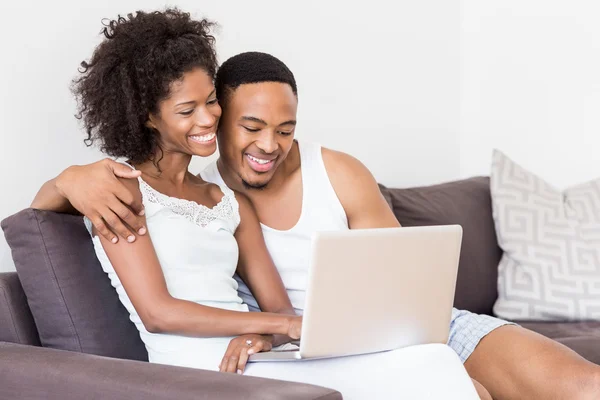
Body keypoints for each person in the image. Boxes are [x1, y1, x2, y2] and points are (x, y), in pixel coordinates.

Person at [31, 9, 481, 399]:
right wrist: (67, 179)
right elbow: (157, 312)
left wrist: (266, 333)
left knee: (430, 359)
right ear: (148, 114)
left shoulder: (228, 201)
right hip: (194, 371)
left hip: (252, 359)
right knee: (428, 369)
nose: (207, 119)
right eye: (187, 111)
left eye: (211, 102)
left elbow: (280, 310)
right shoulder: (121, 190)